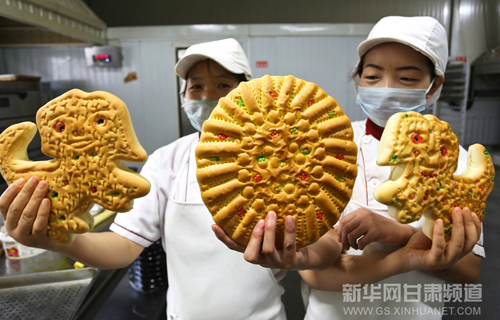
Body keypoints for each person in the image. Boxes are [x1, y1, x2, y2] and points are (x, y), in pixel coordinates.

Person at [214, 17, 484, 320]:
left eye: (407, 79)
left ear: (434, 85)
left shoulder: (456, 160)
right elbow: (321, 260)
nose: (386, 88)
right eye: (372, 76)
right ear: (358, 79)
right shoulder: (327, 145)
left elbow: (468, 269)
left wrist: (400, 234)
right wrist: (301, 256)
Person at [0, 38, 288, 320]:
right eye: (196, 86)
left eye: (223, 85)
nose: (206, 97)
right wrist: (57, 240)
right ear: (183, 98)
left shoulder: (279, 161)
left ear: (248, 94)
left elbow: (312, 245)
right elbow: (124, 247)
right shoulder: (167, 161)